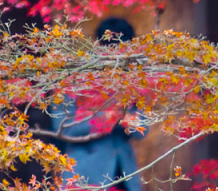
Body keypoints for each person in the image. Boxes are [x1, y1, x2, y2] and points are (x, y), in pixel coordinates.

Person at [43, 19, 143, 191]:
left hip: (122, 173)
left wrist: (129, 120)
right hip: (84, 173)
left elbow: (143, 130)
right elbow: (63, 126)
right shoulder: (73, 78)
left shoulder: (129, 81)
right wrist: (106, 118)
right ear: (100, 44)